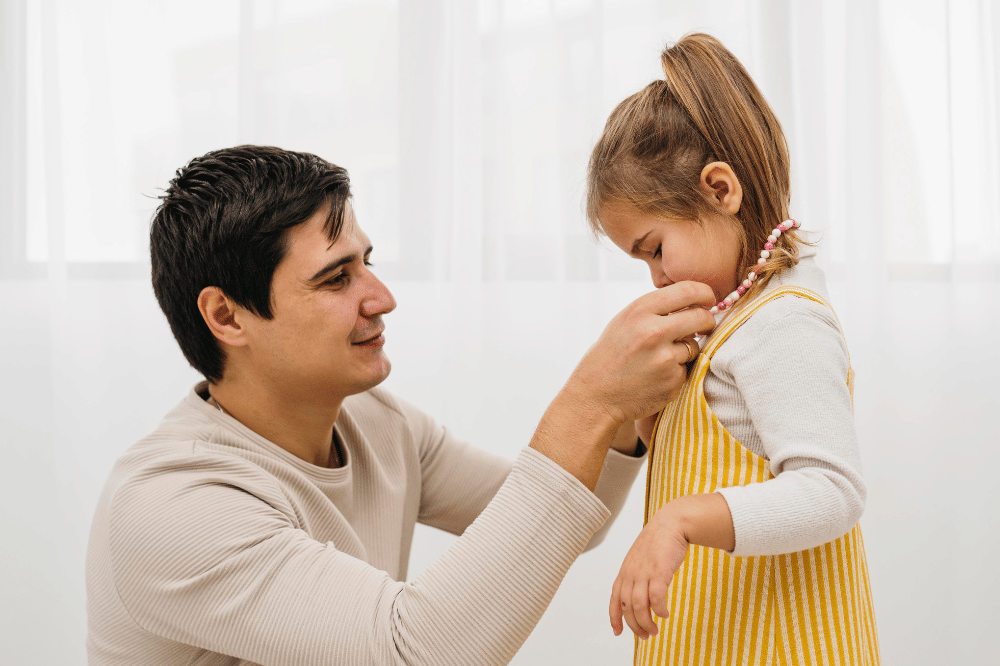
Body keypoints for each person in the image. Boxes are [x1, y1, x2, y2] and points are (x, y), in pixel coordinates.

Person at [85, 145, 717, 665]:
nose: (381, 297)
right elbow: (417, 653)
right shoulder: (171, 506)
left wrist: (622, 415)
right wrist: (589, 399)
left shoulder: (376, 423)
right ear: (227, 316)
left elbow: (572, 520)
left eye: (369, 263)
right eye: (337, 278)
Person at [587, 34, 880, 665]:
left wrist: (677, 520)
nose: (656, 279)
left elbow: (831, 489)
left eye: (654, 249)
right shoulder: (733, 322)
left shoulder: (783, 323)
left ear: (721, 191)